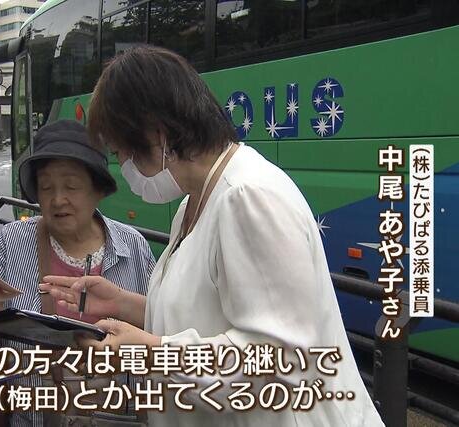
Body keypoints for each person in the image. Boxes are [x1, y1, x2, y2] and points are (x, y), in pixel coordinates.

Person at [39, 46, 384, 426]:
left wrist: (152, 354)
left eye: (122, 152)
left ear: (158, 135)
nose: (124, 167)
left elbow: (278, 359)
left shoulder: (248, 197)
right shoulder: (195, 201)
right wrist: (123, 304)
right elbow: (208, 312)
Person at [0, 120, 155, 427]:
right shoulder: (11, 242)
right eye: (46, 187)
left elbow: (163, 330)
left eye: (71, 186)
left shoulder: (134, 247)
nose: (58, 199)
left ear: (98, 189)